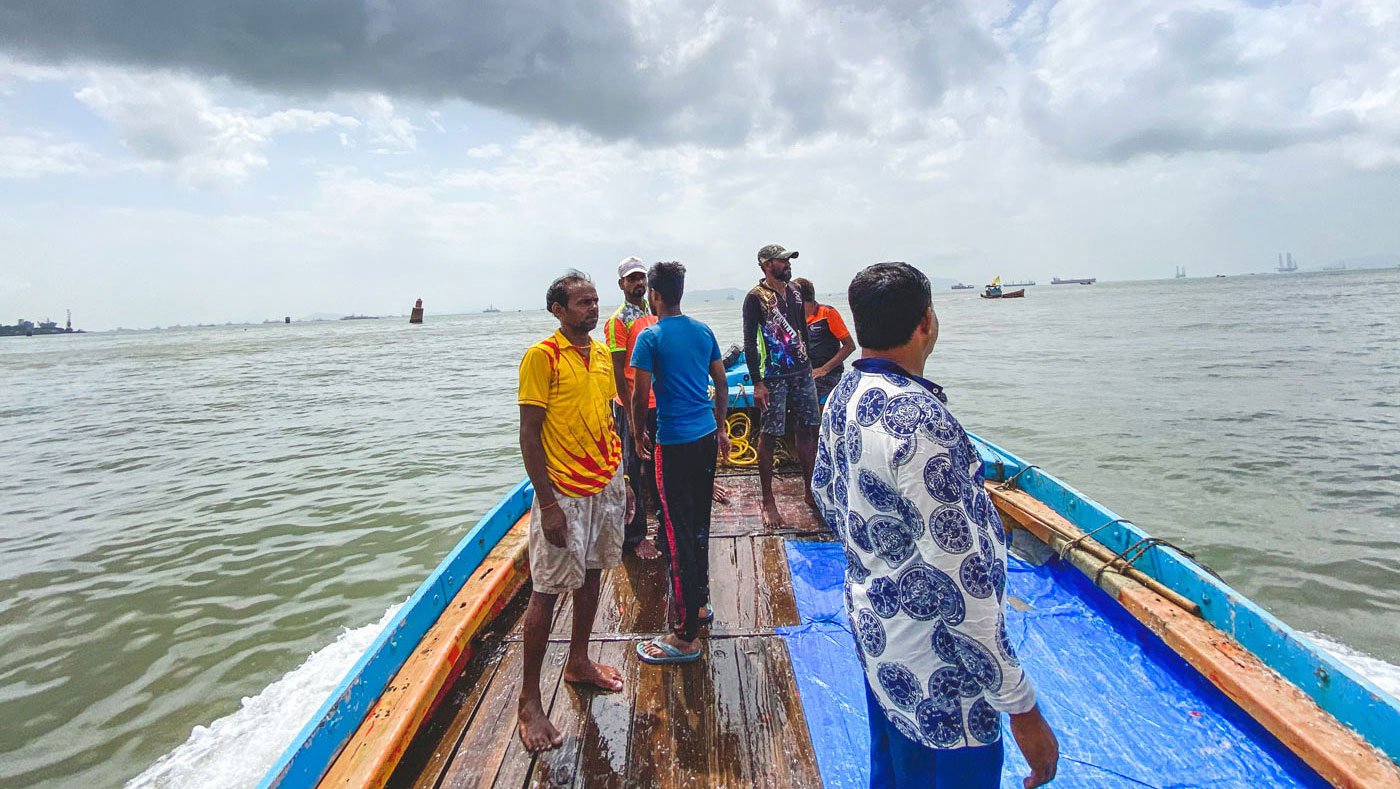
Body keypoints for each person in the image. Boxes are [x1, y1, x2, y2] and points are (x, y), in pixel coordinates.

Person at [811, 262, 1059, 788]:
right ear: (926, 321)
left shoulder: (843, 395)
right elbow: (963, 582)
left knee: (895, 773)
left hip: (879, 636)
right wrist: (1021, 707)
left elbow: (825, 494)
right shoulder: (922, 422)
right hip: (942, 673)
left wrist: (883, 564)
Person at [516, 270, 631, 752]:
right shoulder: (541, 357)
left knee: (593, 574)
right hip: (562, 491)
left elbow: (608, 413)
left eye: (594, 301)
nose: (592, 309)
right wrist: (547, 504)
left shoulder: (602, 352)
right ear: (558, 310)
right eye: (581, 303)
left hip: (604, 483)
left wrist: (622, 480)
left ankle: (579, 661)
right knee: (545, 592)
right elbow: (529, 433)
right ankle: (528, 701)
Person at [629, 261, 730, 664]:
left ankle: (685, 634)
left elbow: (640, 397)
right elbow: (721, 384)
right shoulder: (703, 331)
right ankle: (700, 605)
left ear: (654, 294)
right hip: (705, 438)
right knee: (699, 524)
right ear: (681, 292)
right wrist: (720, 428)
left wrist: (637, 433)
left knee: (675, 533)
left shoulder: (649, 337)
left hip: (671, 444)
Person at [742, 243, 820, 528]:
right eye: (782, 261)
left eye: (789, 260)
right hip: (773, 376)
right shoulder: (755, 298)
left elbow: (803, 330)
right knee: (770, 434)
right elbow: (750, 342)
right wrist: (758, 383)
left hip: (802, 372)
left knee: (808, 429)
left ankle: (810, 490)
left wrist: (809, 363)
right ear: (766, 265)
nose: (788, 264)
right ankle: (768, 500)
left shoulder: (797, 292)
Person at [604, 256, 658, 559]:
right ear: (621, 284)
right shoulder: (618, 321)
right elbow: (618, 373)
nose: (638, 283)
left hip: (656, 402)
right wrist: (633, 420)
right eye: (632, 278)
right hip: (630, 406)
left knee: (657, 462)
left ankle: (663, 518)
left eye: (642, 278)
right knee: (633, 468)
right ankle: (635, 535)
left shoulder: (651, 313)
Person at [793, 277, 856, 403]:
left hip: (828, 373)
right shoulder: (794, 318)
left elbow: (849, 346)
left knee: (811, 393)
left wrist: (824, 369)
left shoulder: (827, 313)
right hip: (806, 372)